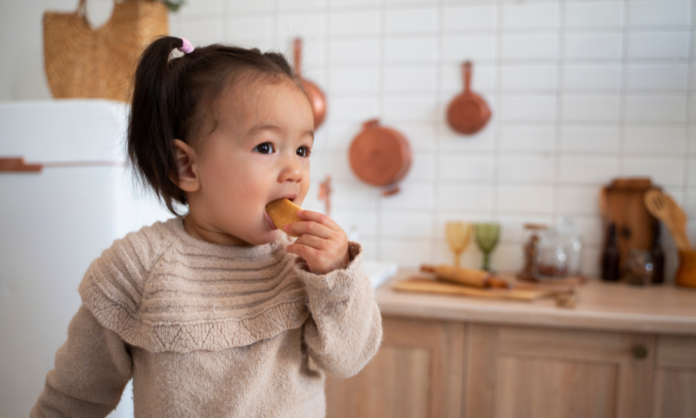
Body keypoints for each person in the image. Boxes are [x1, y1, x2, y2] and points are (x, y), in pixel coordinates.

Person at [31, 36, 382, 418]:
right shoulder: (135, 268)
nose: (295, 171)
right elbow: (73, 400)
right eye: (266, 147)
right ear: (187, 166)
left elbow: (349, 360)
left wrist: (336, 277)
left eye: (302, 150)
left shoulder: (305, 268)